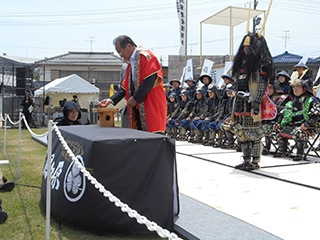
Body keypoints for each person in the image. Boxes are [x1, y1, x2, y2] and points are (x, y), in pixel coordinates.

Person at [98, 35, 167, 133]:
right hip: (138, 107)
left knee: (153, 135)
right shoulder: (130, 64)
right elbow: (125, 88)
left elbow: (150, 80)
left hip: (151, 103)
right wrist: (111, 100)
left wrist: (135, 98)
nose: (121, 56)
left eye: (120, 52)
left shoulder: (146, 56)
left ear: (129, 46)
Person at [229, 32, 276, 171]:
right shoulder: (241, 65)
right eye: (244, 47)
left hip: (252, 103)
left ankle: (255, 162)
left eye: (248, 47)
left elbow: (261, 86)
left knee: (255, 135)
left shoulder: (260, 65)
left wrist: (256, 104)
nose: (245, 49)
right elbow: (237, 82)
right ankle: (246, 161)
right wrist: (233, 90)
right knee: (242, 134)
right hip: (239, 103)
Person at [273, 79, 320, 161]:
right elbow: (283, 114)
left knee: (299, 132)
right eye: (294, 87)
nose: (295, 89)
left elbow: (316, 114)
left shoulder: (312, 100)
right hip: (292, 125)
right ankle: (283, 151)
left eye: (298, 87)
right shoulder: (290, 102)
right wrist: (278, 123)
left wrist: (307, 124)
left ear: (304, 88)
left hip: (308, 127)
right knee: (275, 131)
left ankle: (300, 153)